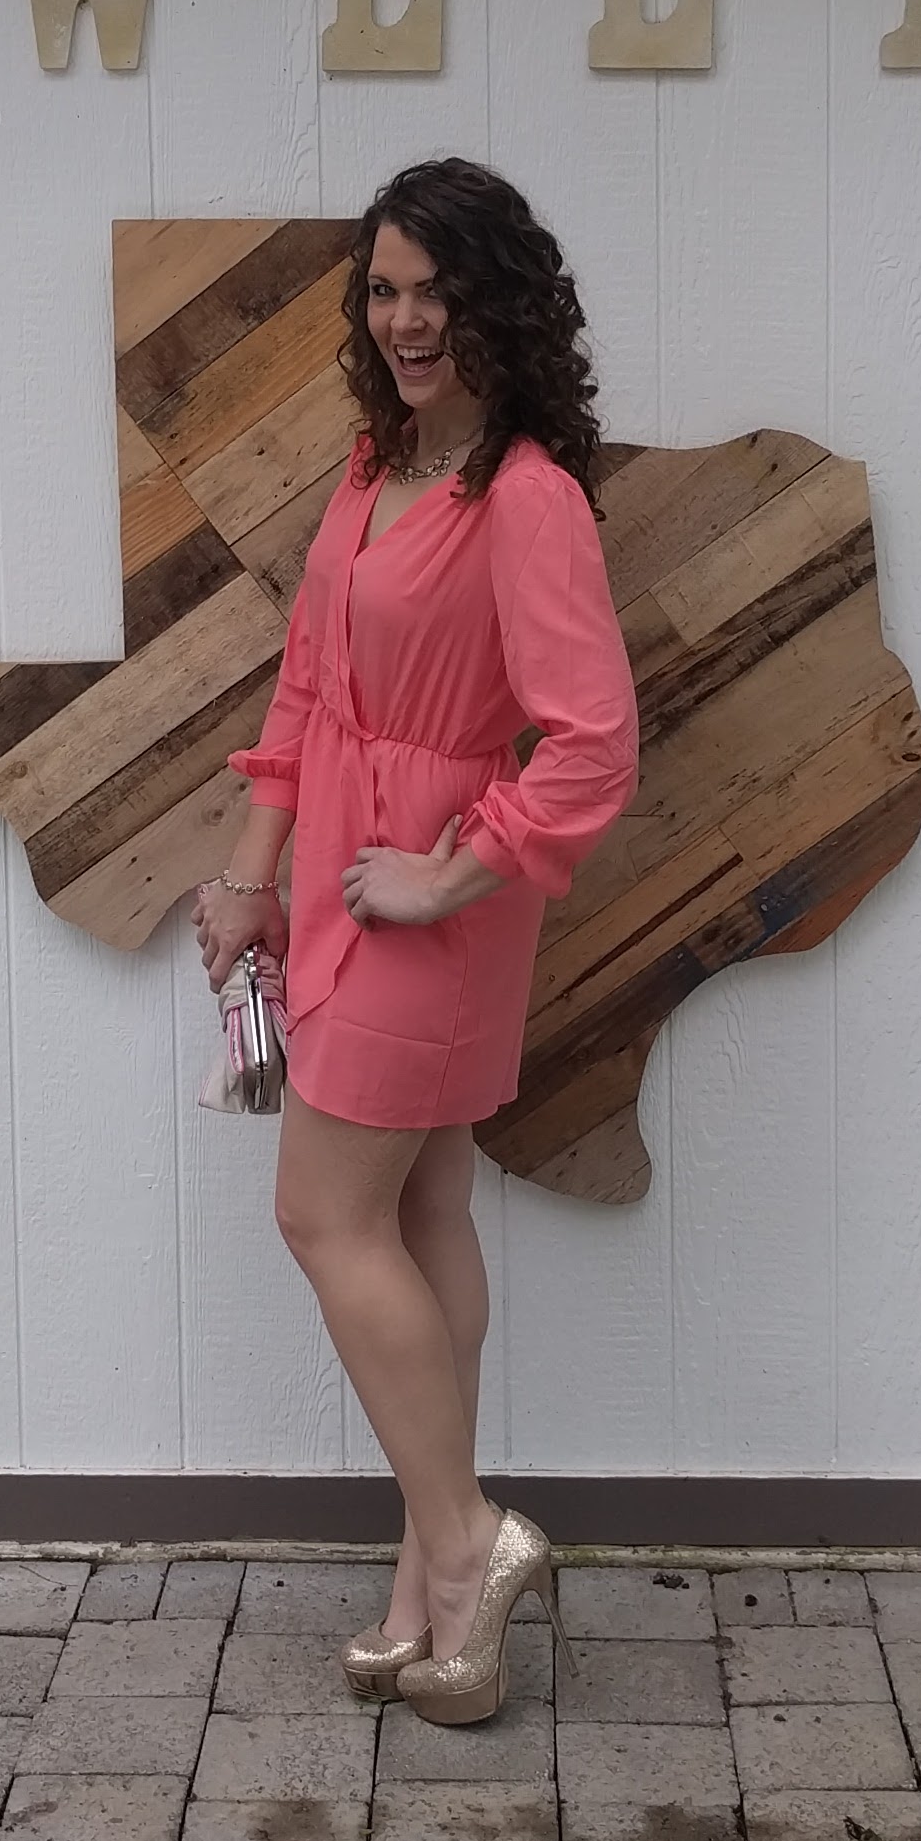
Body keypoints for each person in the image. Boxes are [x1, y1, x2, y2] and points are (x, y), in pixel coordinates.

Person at [195, 160, 639, 1726]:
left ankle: (467, 1543)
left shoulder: (526, 498)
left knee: (322, 1213)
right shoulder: (374, 467)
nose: (404, 319)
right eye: (382, 291)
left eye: (433, 291)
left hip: (426, 903)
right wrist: (253, 875)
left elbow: (593, 745)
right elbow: (308, 689)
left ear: (493, 303)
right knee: (424, 1205)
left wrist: (454, 877)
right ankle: (424, 1590)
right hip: (340, 881)